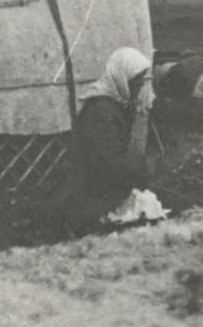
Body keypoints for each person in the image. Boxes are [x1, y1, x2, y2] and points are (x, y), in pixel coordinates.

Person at [55, 47, 154, 234]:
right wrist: (141, 168)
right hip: (91, 193)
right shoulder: (101, 112)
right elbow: (108, 162)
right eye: (137, 79)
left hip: (104, 186)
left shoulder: (116, 105)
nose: (141, 84)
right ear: (122, 78)